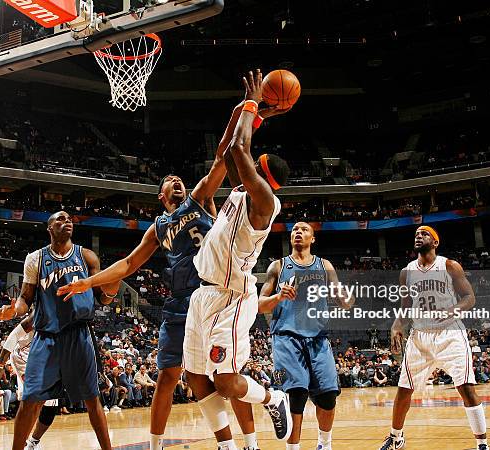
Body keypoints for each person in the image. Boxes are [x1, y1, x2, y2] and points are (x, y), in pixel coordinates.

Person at [57, 98, 288, 450]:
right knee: (188, 378)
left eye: (179, 179)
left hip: (228, 292)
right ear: (161, 195)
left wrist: (245, 112)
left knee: (227, 378)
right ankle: (185, 444)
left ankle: (257, 432)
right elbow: (129, 265)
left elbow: (224, 158)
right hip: (190, 300)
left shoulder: (200, 199)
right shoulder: (158, 227)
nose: (177, 182)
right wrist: (89, 281)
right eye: (170, 182)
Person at [182, 68, 293, 447]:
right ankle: (227, 446)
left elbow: (237, 149)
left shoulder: (265, 203)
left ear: (259, 173)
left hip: (233, 298)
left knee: (226, 383)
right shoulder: (240, 194)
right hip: (204, 293)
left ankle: (273, 397)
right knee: (196, 378)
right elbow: (225, 151)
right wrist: (253, 114)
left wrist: (252, 103)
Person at [0, 211, 119, 450]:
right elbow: (25, 299)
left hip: (79, 334)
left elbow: (102, 299)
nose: (67, 221)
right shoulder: (35, 259)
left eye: (70, 219)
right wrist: (14, 310)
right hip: (46, 338)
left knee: (93, 400)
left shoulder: (87, 257)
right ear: (49, 228)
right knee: (29, 401)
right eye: (60, 219)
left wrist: (112, 289)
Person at [378, 226, 489, 450]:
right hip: (420, 336)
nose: (419, 236)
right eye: (417, 234)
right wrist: (396, 325)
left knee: (466, 388)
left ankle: (482, 444)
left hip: (450, 334)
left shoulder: (449, 266)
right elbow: (406, 307)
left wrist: (454, 309)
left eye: (424, 234)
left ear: (435, 242)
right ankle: (396, 437)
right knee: (404, 389)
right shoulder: (406, 272)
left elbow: (469, 297)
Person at [258, 222, 353, 450]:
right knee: (296, 396)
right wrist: (279, 297)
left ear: (313, 238)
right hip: (287, 338)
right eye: (294, 230)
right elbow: (259, 305)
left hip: (318, 339)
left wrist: (345, 299)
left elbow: (346, 300)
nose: (298, 232)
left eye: (304, 230)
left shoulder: (325, 265)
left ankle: (324, 445)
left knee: (329, 397)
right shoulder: (278, 267)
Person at [0, 312, 58, 450]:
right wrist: (0, 364)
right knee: (33, 401)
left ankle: (32, 443)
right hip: (24, 354)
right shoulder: (45, 308)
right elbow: (15, 333)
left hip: (46, 357)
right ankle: (20, 445)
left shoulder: (72, 312)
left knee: (51, 407)